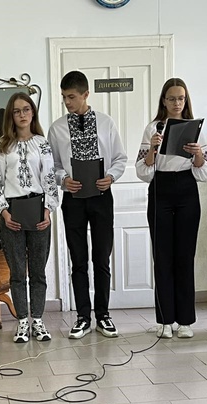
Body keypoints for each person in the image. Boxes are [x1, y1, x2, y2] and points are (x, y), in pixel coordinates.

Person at [48, 70, 127, 339]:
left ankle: (103, 315)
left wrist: (111, 177)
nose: (67, 102)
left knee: (101, 258)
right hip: (73, 200)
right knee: (78, 259)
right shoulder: (57, 128)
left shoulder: (106, 123)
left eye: (71, 97)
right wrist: (63, 179)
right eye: (64, 97)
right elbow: (53, 165)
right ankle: (83, 317)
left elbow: (120, 158)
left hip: (102, 197)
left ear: (85, 94)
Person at [135, 78, 207, 339]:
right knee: (163, 256)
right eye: (171, 98)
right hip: (161, 189)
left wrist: (197, 153)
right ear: (164, 101)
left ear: (185, 100)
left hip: (187, 189)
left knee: (185, 256)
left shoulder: (195, 128)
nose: (176, 103)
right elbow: (143, 171)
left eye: (181, 98)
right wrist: (153, 150)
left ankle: (185, 321)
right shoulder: (153, 128)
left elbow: (204, 171)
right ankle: (165, 320)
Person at [0, 92, 59, 343]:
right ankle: (22, 321)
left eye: (26, 109)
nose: (22, 115)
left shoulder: (42, 143)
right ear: (11, 115)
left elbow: (49, 179)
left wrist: (48, 210)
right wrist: (4, 212)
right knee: (17, 271)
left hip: (38, 209)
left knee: (38, 270)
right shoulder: (2, 146)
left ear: (32, 113)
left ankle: (37, 320)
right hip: (12, 212)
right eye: (17, 111)